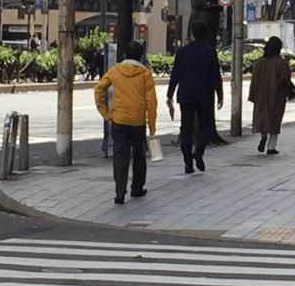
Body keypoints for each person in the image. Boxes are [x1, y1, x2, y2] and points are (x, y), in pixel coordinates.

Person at [94, 40, 158, 204]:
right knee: (138, 155)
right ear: (141, 56)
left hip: (119, 119)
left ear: (124, 55)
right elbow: (151, 101)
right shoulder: (145, 74)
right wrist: (152, 124)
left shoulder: (116, 70)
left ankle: (120, 191)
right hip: (137, 121)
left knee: (120, 156)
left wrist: (105, 112)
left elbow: (99, 89)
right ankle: (137, 188)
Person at [166, 20, 224, 173]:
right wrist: (220, 95)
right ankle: (198, 151)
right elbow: (216, 75)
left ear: (191, 33)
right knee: (207, 126)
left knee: (186, 128)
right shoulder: (210, 52)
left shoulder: (182, 52)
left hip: (185, 94)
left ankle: (187, 163)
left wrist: (170, 93)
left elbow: (175, 74)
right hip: (205, 94)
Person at [248, 36, 291, 155]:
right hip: (276, 94)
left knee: (263, 117)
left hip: (261, 94)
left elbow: (254, 80)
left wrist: (253, 95)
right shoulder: (281, 63)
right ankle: (271, 147)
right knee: (275, 119)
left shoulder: (259, 62)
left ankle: (263, 136)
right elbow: (285, 78)